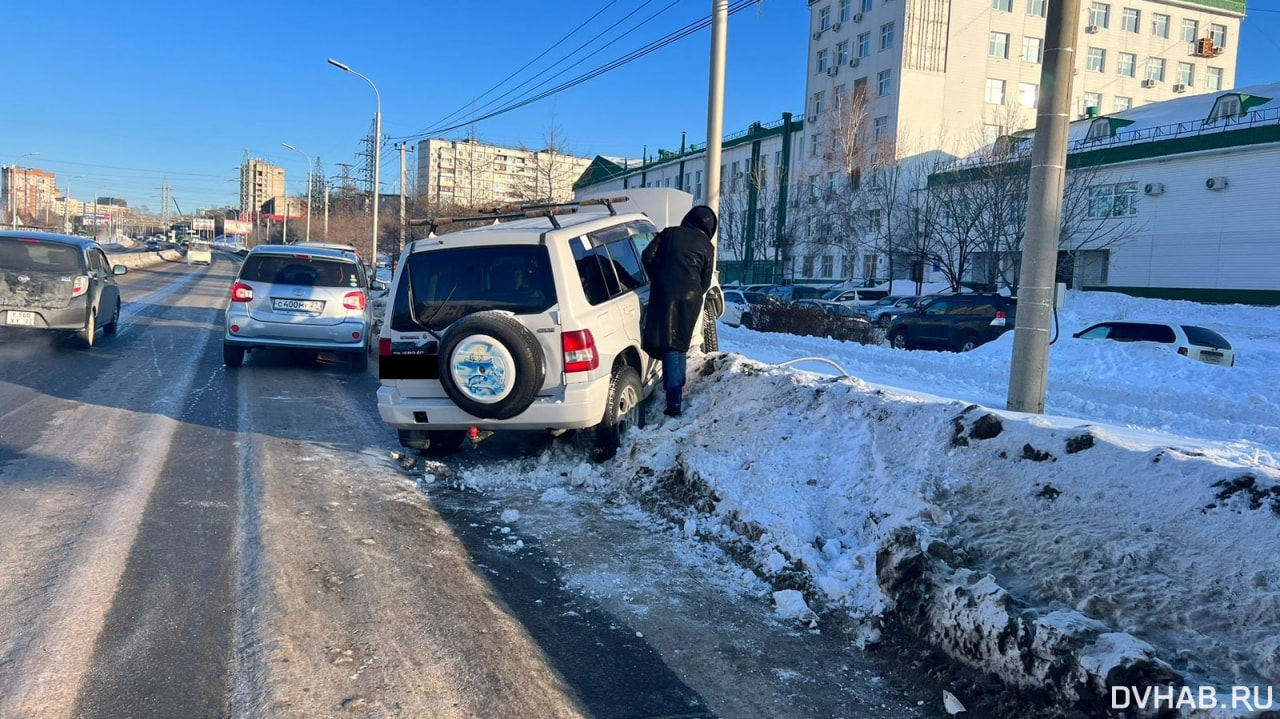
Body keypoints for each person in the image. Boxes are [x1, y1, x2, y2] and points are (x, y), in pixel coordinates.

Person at [641, 205, 717, 418]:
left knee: (669, 343)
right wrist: (693, 292)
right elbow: (705, 279)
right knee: (679, 343)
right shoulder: (707, 246)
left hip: (665, 292)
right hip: (691, 298)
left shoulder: (669, 233)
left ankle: (673, 401)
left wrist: (659, 276)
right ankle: (677, 390)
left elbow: (647, 256)